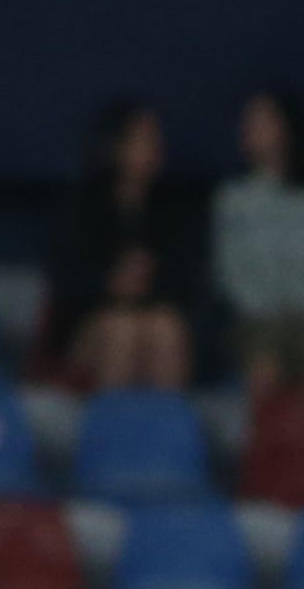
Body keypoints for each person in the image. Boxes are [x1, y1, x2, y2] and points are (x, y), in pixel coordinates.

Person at [45, 101, 196, 391]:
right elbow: (64, 280)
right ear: (115, 145)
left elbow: (186, 279)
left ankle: (169, 430)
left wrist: (146, 282)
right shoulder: (81, 206)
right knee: (122, 329)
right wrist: (111, 284)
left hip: (151, 314)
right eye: (143, 139)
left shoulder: (171, 208)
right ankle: (113, 430)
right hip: (88, 326)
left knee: (167, 328)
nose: (154, 148)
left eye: (156, 139)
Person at [212, 91, 304, 394]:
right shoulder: (232, 199)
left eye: (263, 123)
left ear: (288, 128)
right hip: (256, 318)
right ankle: (264, 438)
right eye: (248, 124)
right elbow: (230, 270)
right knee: (266, 346)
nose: (253, 131)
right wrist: (266, 309)